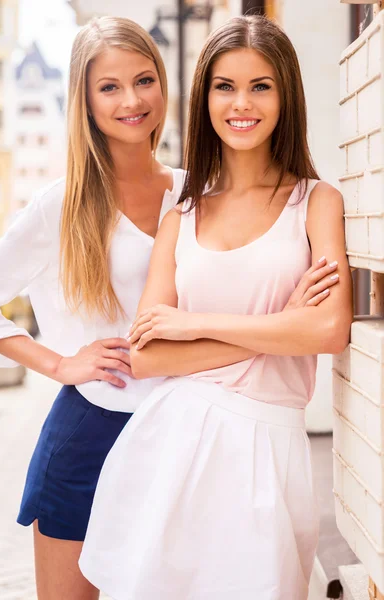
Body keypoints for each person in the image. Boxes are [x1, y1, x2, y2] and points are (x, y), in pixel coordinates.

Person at [0, 15, 336, 600]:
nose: (131, 100)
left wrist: (290, 329)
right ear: (85, 101)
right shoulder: (61, 206)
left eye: (144, 79)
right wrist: (59, 365)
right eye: (109, 87)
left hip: (195, 432)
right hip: (95, 427)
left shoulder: (193, 193)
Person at [79, 15, 353, 600]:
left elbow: (329, 330)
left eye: (261, 86)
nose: (241, 104)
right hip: (175, 442)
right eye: (224, 86)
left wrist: (194, 323)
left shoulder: (317, 202)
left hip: (268, 445)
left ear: (286, 96)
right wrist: (282, 327)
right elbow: (148, 357)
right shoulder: (182, 213)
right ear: (205, 98)